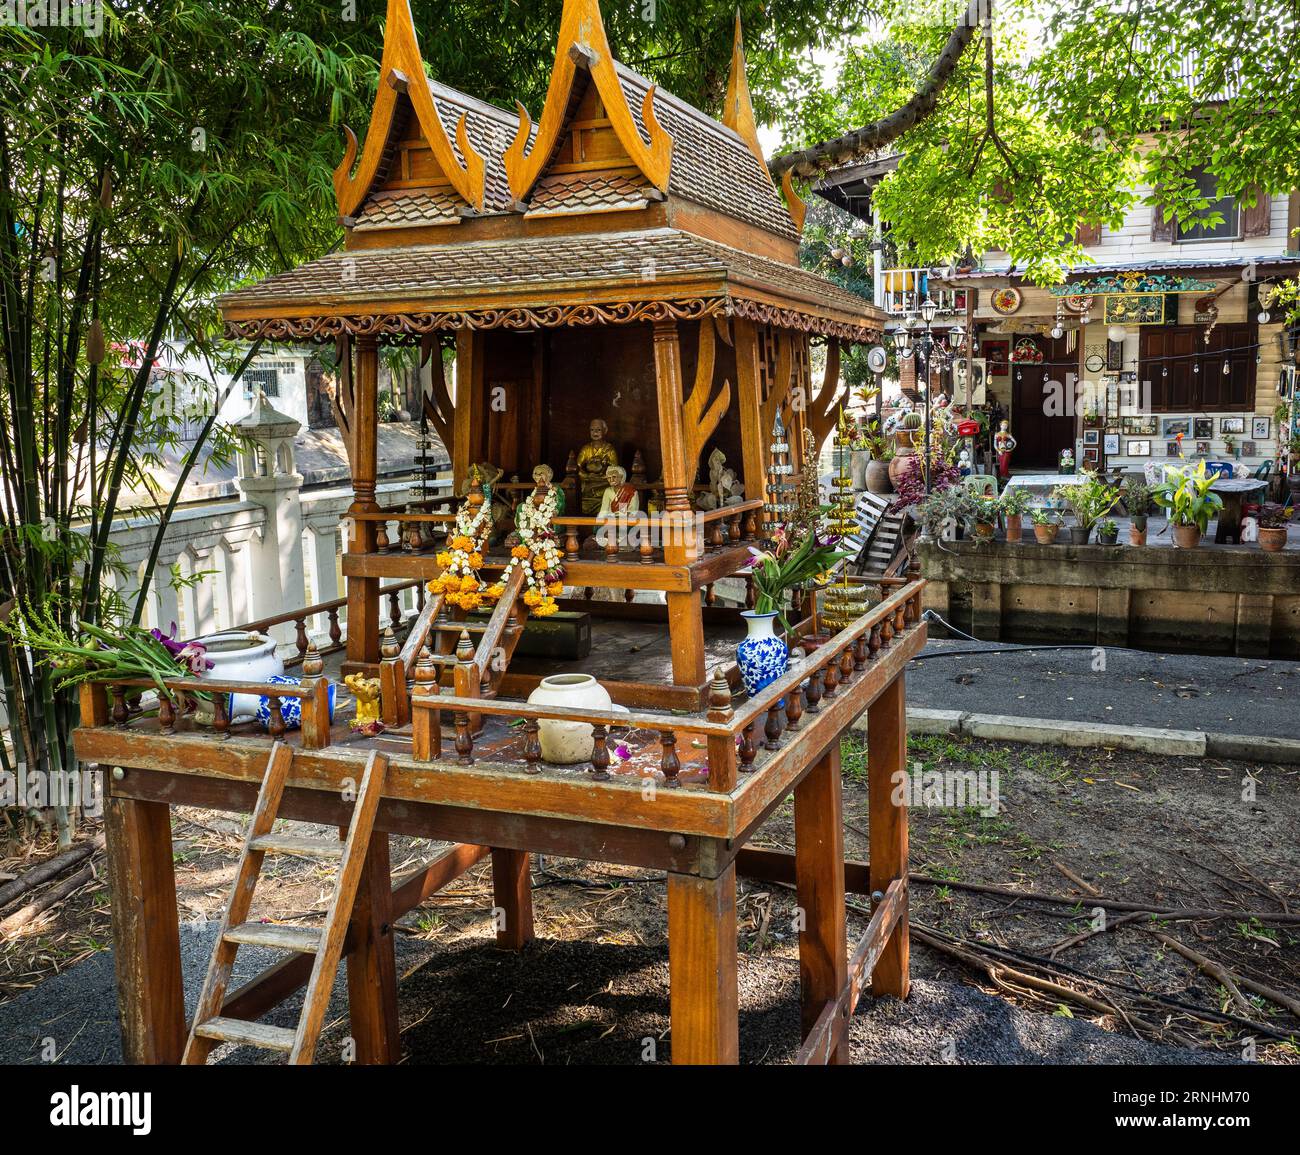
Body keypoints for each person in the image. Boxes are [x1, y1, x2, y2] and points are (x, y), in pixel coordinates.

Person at [576, 418, 620, 515]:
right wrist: (587, 476)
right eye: (592, 430)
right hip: (588, 480)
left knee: (610, 487)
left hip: (603, 481)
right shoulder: (586, 449)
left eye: (598, 430)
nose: (595, 432)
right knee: (582, 488)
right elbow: (578, 468)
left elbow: (615, 469)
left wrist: (602, 477)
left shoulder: (610, 449)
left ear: (605, 431)